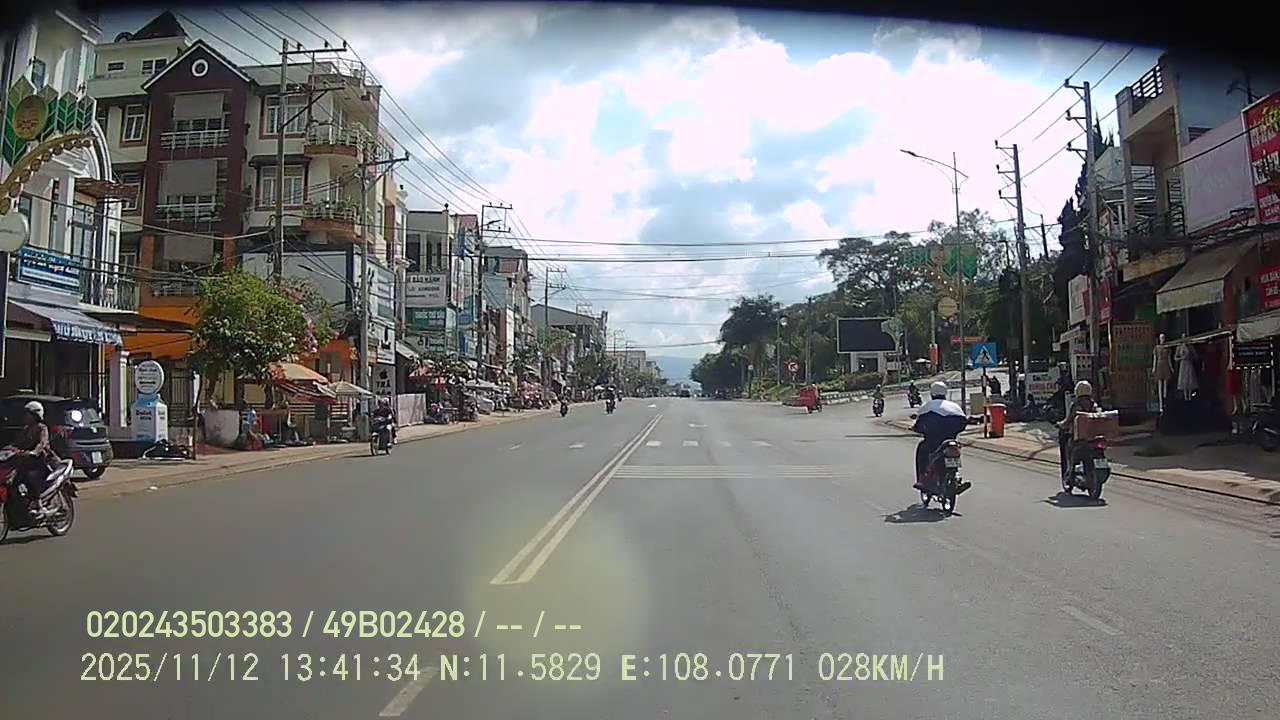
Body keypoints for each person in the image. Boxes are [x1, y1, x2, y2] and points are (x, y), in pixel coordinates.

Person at [911, 381, 968, 492]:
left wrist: (920, 429)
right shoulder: (955, 407)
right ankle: (956, 480)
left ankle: (922, 480)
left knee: (922, 449)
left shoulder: (926, 407)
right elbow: (963, 424)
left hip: (933, 443)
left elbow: (918, 426)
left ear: (932, 393)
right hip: (951, 441)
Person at [13, 400, 60, 518]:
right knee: (14, 479)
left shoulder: (42, 428)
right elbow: (16, 443)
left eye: (28, 414)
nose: (25, 417)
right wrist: (9, 450)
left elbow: (42, 443)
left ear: (35, 415)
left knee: (29, 477)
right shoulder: (26, 430)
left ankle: (39, 506)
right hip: (28, 462)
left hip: (42, 462)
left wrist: (34, 452)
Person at [1058, 380, 1099, 478]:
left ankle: (1070, 469)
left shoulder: (1076, 405)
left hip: (1079, 438)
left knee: (1068, 447)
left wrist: (1061, 424)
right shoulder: (1094, 405)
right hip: (1093, 437)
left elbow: (1068, 420)